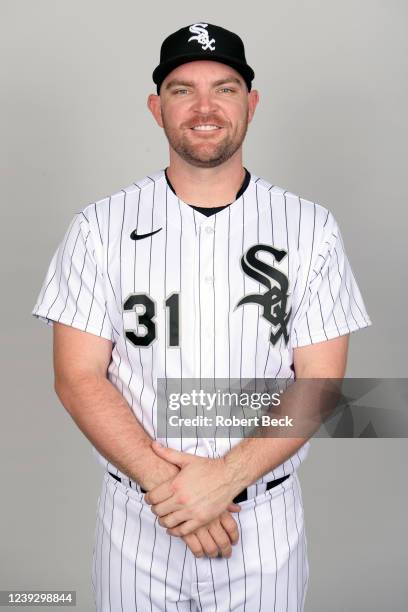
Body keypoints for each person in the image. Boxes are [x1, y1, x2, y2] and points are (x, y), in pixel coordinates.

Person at [31, 21, 372, 611]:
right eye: (183, 89)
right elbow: (77, 376)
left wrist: (225, 478)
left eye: (226, 87)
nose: (205, 106)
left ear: (252, 103)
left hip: (261, 519)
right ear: (155, 107)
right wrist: (172, 489)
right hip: (140, 519)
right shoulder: (98, 227)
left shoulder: (310, 228)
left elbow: (319, 382)